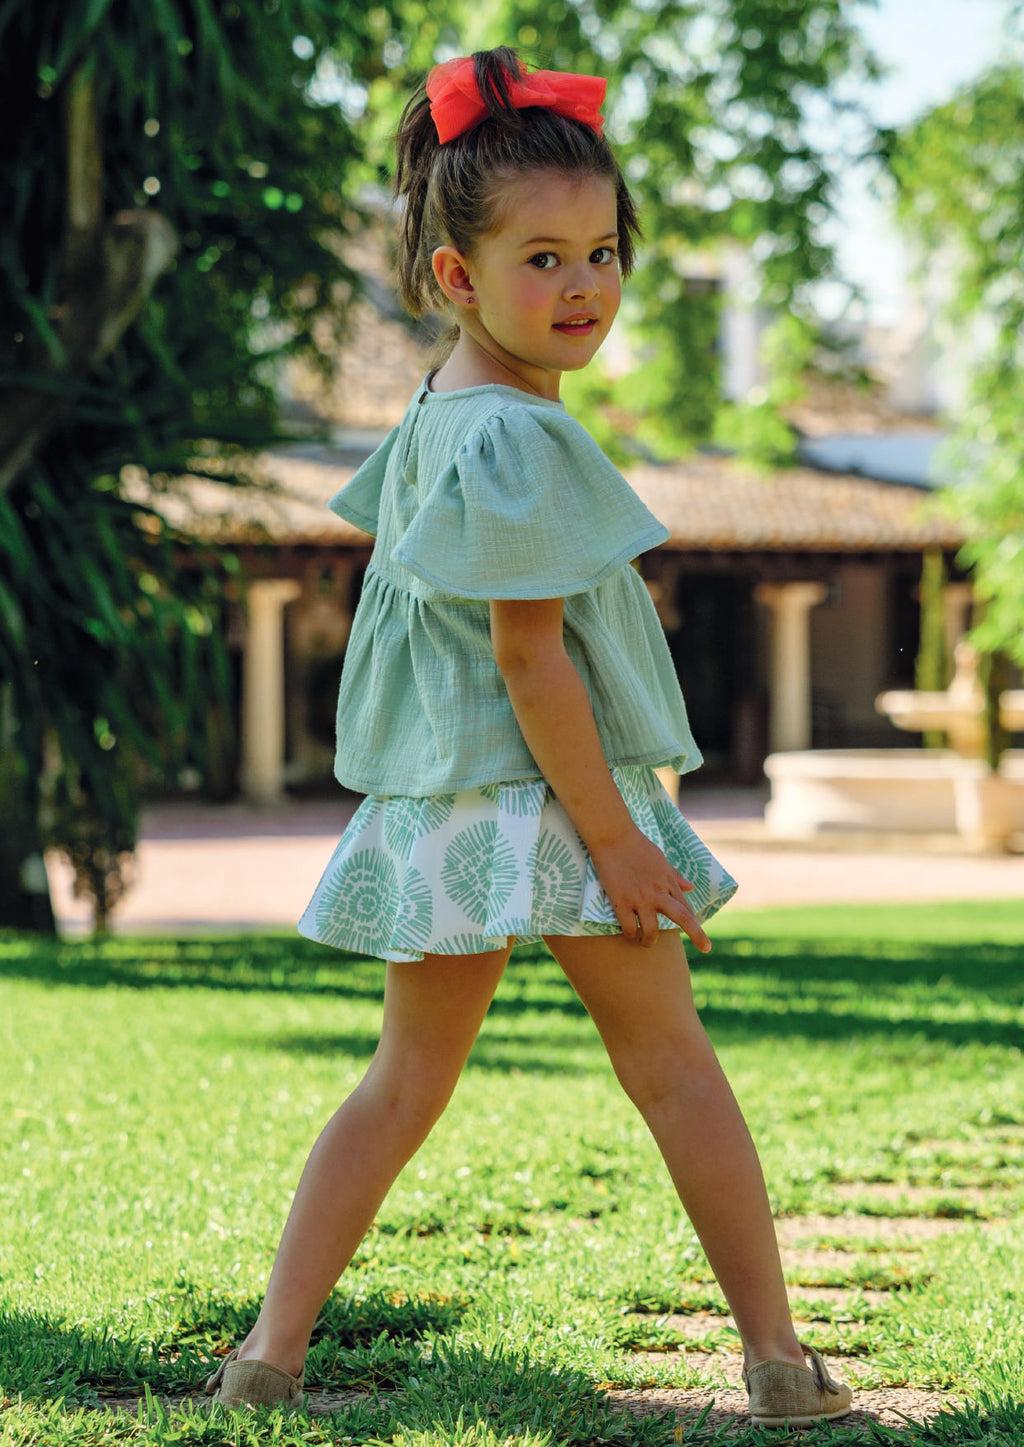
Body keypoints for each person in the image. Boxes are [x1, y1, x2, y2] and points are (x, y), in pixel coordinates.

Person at [205, 47, 853, 1429]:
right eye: (544, 259)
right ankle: (780, 1365)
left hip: (444, 803)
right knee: (672, 1066)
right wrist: (616, 840)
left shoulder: (439, 416)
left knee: (402, 1083)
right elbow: (527, 655)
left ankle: (267, 1358)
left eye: (605, 254)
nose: (585, 288)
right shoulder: (519, 439)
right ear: (457, 277)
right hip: (549, 800)